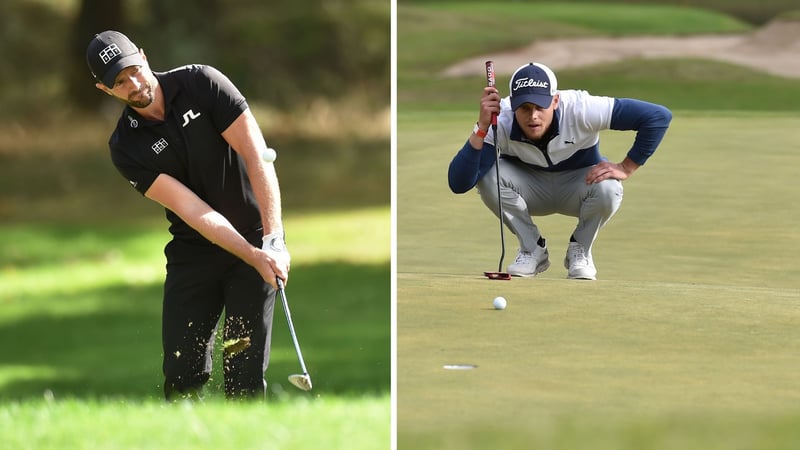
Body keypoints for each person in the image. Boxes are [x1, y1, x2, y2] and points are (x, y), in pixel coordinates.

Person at [86, 30, 290, 400]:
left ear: (144, 57)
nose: (133, 84)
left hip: (255, 233)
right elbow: (193, 210)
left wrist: (272, 240)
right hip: (195, 251)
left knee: (243, 372)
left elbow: (256, 154)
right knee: (182, 372)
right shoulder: (126, 147)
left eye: (133, 69)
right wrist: (255, 256)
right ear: (105, 90)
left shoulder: (202, 83)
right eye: (118, 81)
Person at [448, 62, 671, 280]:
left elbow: (657, 116)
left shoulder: (581, 108)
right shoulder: (501, 119)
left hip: (579, 187)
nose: (532, 116)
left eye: (539, 107)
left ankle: (580, 251)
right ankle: (531, 250)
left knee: (609, 187)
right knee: (488, 177)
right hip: (529, 189)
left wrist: (626, 167)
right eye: (524, 108)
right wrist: (482, 127)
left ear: (555, 100)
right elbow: (459, 183)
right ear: (512, 105)